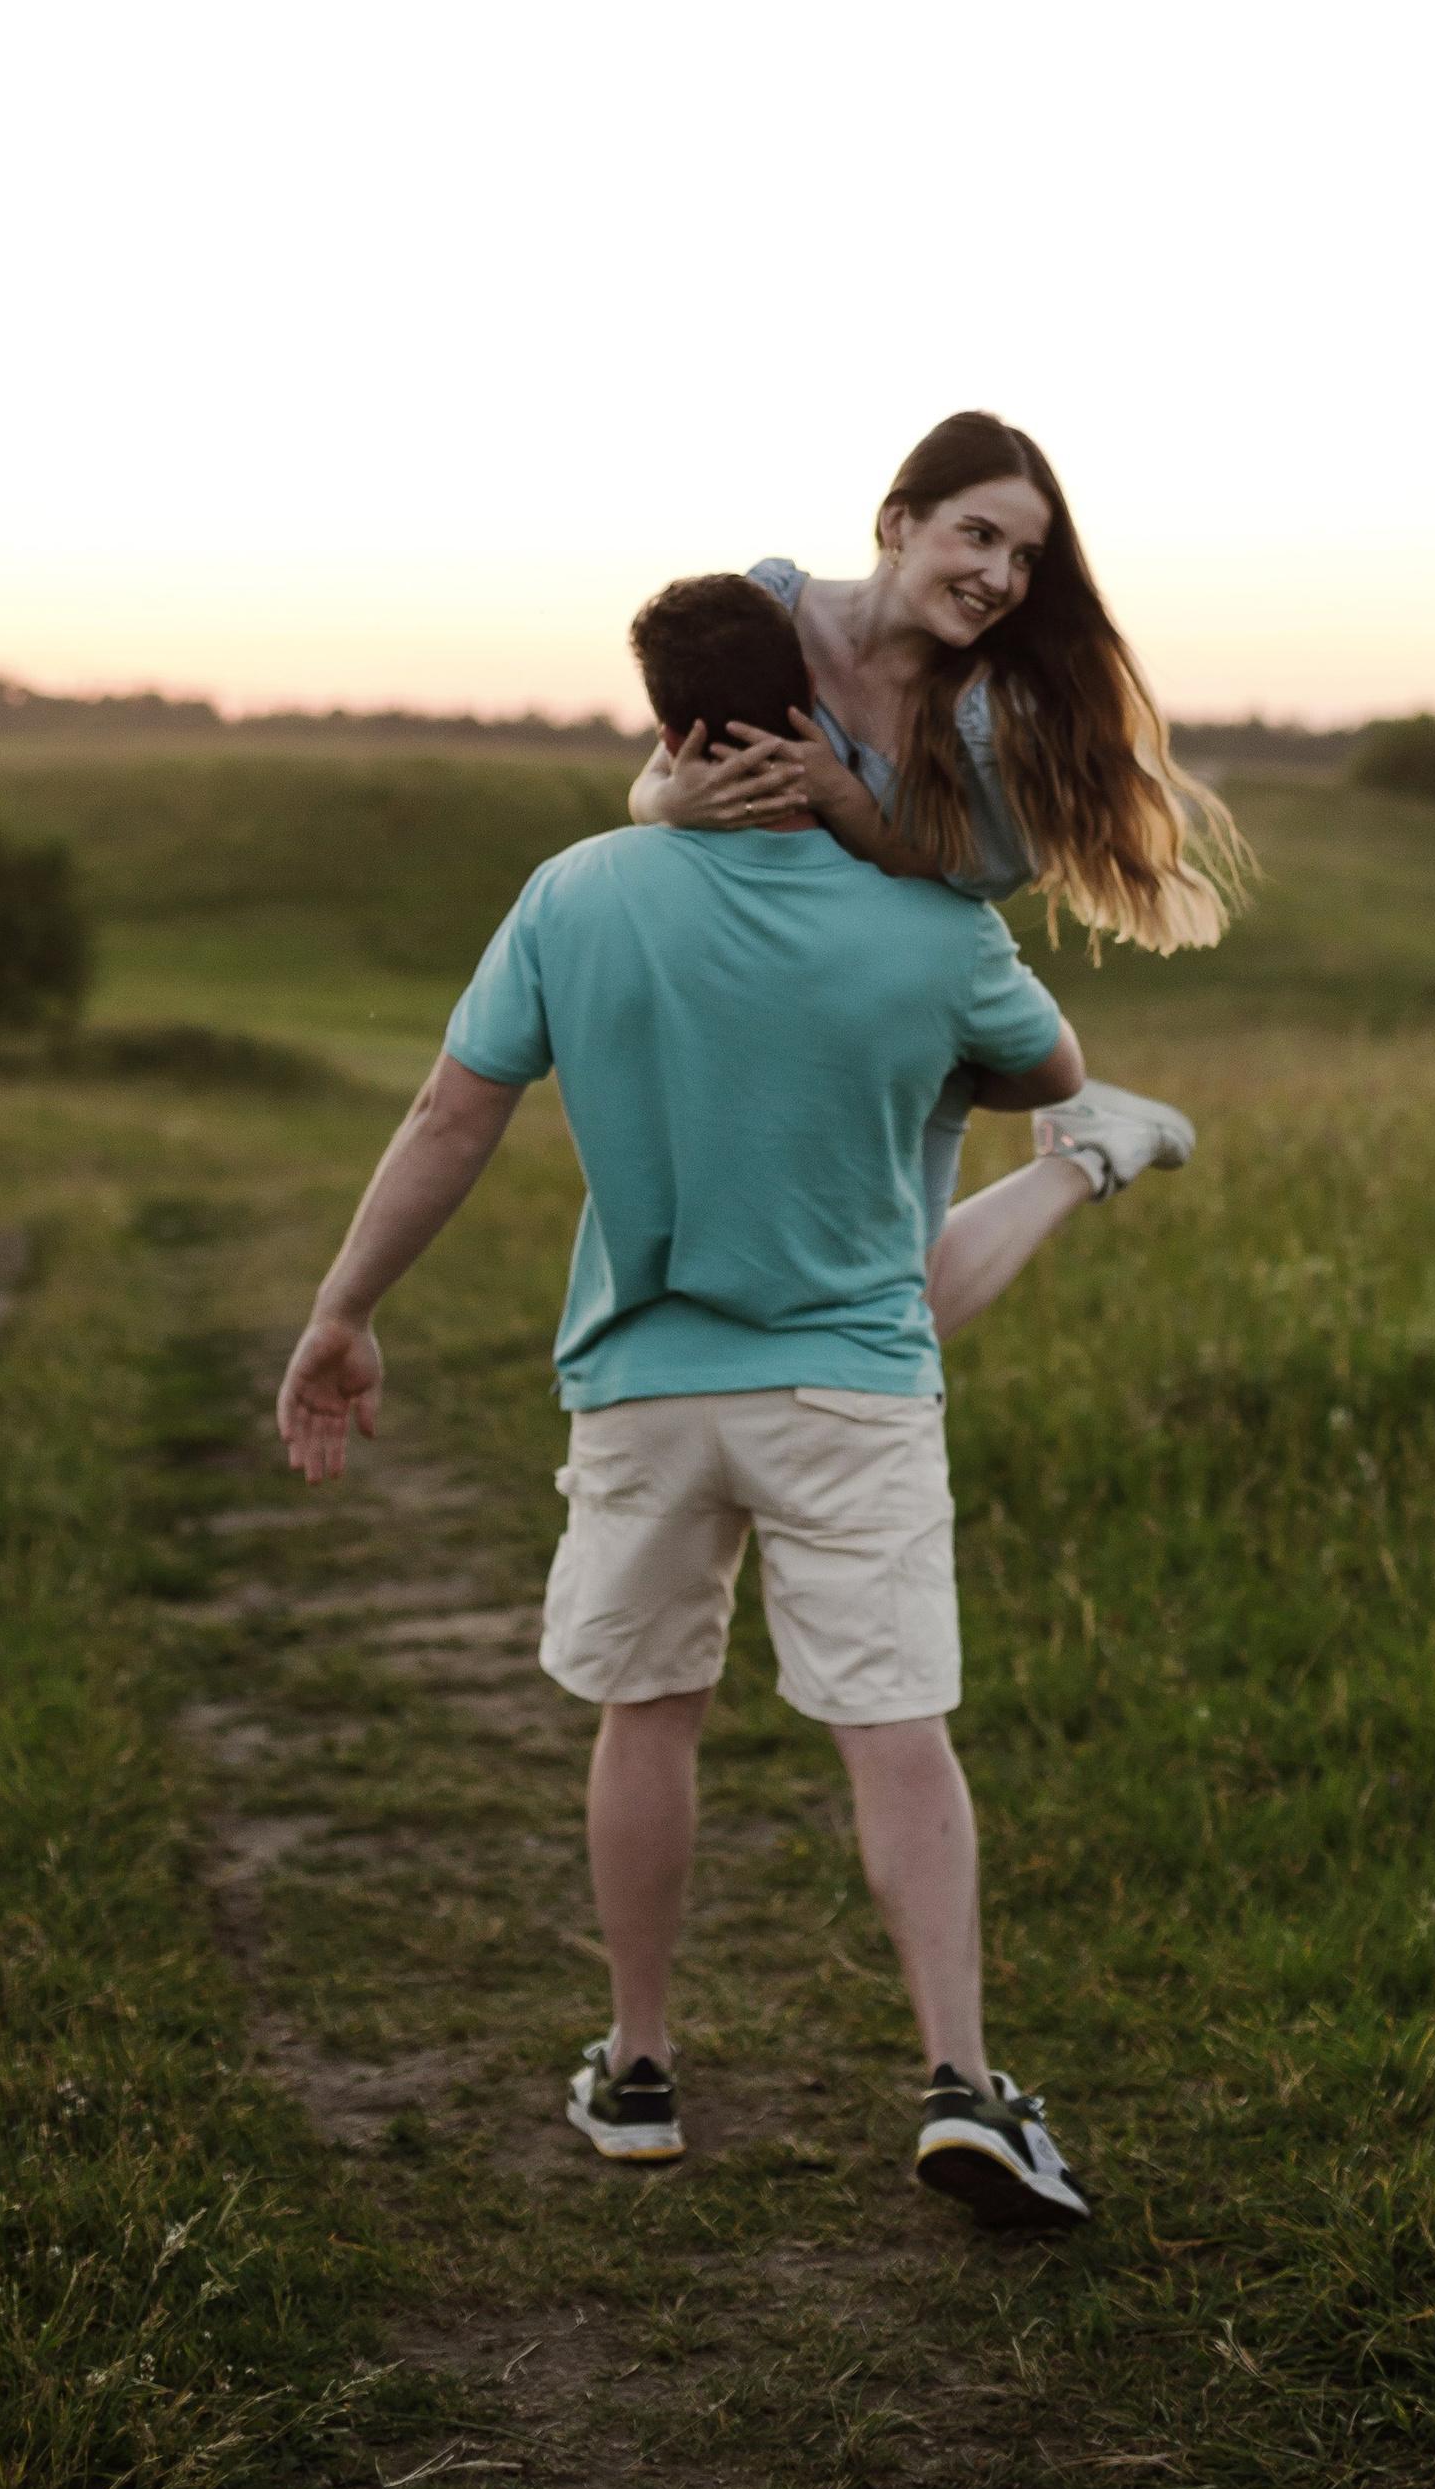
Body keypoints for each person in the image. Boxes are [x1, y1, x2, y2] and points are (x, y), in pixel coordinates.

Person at [275, 569, 1102, 2228]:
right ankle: (960, 2083)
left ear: (668, 729)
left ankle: (640, 2072)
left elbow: (451, 1117)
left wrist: (342, 1309)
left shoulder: (575, 896)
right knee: (897, 1738)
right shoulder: (935, 921)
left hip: (646, 1389)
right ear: (813, 715)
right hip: (852, 1389)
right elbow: (1056, 1075)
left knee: (647, 1716)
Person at [628, 409, 1249, 1303]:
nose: (1000, 578)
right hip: (770, 971)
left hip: (901, 986)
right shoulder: (772, 609)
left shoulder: (991, 714)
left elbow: (965, 882)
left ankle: (1085, 1156)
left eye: (1026, 558)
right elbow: (653, 782)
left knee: (891, 1292)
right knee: (793, 1265)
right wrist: (670, 802)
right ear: (897, 523)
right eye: (980, 536)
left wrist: (847, 803)